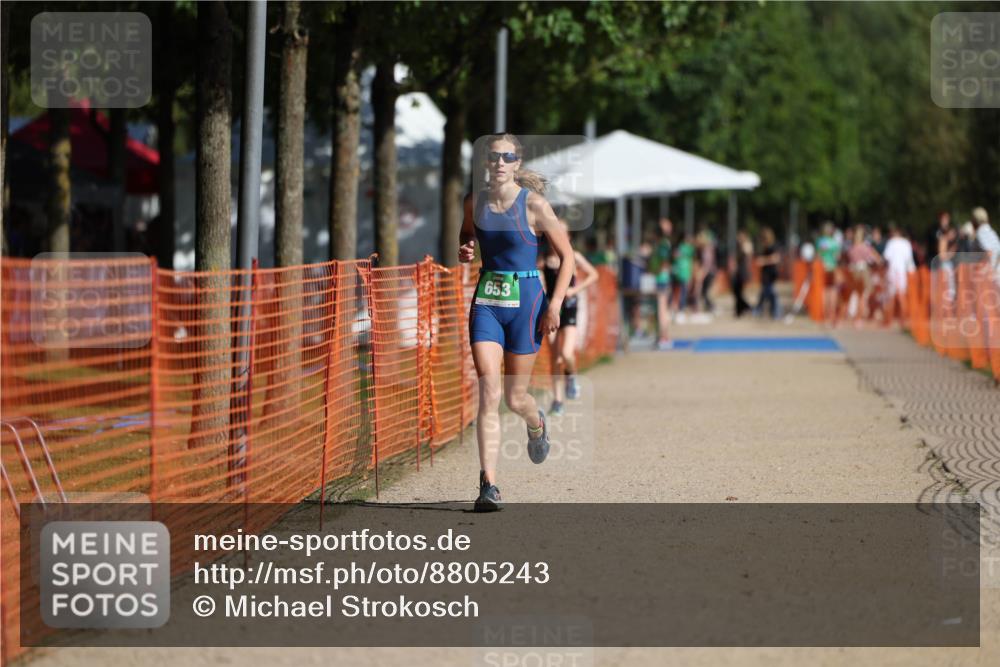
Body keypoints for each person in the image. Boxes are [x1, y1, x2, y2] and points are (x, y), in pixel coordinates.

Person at [458, 133, 575, 512]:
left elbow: (568, 258)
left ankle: (535, 419)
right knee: (490, 391)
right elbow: (466, 235)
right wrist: (466, 247)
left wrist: (555, 304)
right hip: (488, 303)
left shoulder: (535, 206)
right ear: (486, 162)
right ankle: (488, 485)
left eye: (508, 157)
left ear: (517, 164)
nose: (500, 162)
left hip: (526, 304)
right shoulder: (474, 203)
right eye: (494, 156)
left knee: (514, 397)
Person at [542, 224, 599, 415]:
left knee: (566, 354)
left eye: (562, 231)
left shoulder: (573, 256)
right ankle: (558, 401)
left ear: (568, 235)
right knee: (555, 358)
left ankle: (572, 376)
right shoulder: (543, 260)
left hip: (569, 309)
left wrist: (575, 289)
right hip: (550, 311)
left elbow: (594, 274)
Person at [845, 225, 882, 325]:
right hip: (862, 271)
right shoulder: (865, 247)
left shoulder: (851, 248)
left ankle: (855, 316)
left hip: (853, 271)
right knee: (863, 295)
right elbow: (877, 259)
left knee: (856, 295)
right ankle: (859, 318)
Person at [881, 224, 915, 327]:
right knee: (902, 295)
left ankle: (889, 320)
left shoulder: (891, 243)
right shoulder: (906, 243)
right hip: (902, 272)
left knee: (891, 296)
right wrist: (911, 272)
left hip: (893, 271)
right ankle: (903, 320)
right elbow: (909, 260)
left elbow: (886, 257)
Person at [648, 217, 674, 349]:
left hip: (661, 280)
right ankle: (662, 335)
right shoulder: (659, 244)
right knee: (661, 309)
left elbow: (664, 262)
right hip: (659, 279)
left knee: (662, 309)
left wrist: (656, 272)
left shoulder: (663, 244)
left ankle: (664, 336)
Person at [816, 222, 843, 326]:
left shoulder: (821, 241)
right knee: (833, 292)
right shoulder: (834, 242)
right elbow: (838, 257)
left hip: (823, 268)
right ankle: (832, 314)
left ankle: (825, 315)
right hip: (832, 268)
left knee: (824, 292)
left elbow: (818, 255)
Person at [754, 227, 781, 319]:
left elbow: (776, 258)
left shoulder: (773, 246)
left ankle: (775, 312)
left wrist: (763, 261)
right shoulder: (764, 248)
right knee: (766, 292)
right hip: (765, 273)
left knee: (770, 292)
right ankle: (767, 311)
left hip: (771, 273)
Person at [973, 207, 1000, 283]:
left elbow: (988, 252)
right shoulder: (992, 232)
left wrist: (978, 269)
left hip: (990, 276)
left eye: (973, 219)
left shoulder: (981, 232)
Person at [672, 232, 696, 319]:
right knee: (682, 292)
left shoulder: (682, 248)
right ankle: (679, 309)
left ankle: (678, 309)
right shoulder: (687, 248)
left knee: (678, 292)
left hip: (681, 272)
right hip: (682, 273)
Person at [695, 227, 717, 313]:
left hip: (709, 272)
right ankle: (709, 307)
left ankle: (711, 307)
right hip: (708, 271)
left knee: (705, 292)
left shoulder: (706, 250)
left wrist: (702, 274)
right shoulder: (705, 249)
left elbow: (707, 264)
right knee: (704, 292)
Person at [732, 230, 753, 318]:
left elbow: (748, 253)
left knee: (738, 291)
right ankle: (741, 309)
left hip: (743, 272)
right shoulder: (738, 247)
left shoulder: (746, 246)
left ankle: (745, 307)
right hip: (739, 272)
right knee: (736, 291)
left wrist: (743, 243)